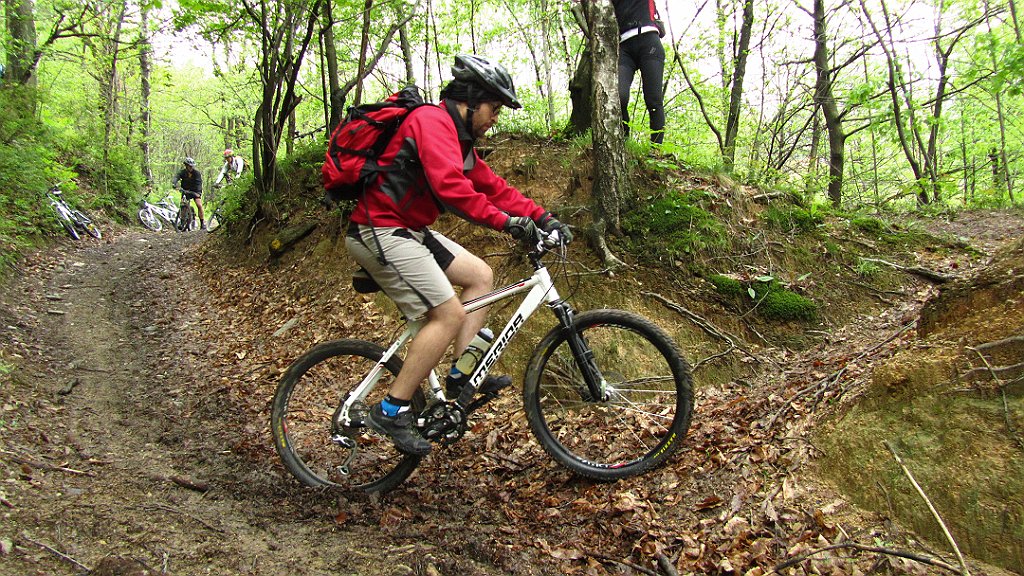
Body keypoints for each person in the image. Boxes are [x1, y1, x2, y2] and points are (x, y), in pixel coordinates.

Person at [346, 54, 573, 456]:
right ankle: (391, 409)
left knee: (480, 276)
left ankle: (461, 375)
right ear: (469, 101)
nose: (495, 119)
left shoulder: (458, 138)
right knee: (448, 314)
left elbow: (491, 185)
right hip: (379, 229)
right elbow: (451, 188)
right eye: (493, 108)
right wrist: (506, 223)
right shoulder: (431, 122)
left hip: (409, 229)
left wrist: (542, 216)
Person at [613, 0, 666, 145]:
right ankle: (624, 144)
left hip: (649, 42)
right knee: (619, 97)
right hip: (624, 47)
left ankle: (656, 149)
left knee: (653, 100)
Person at [172, 157, 206, 230]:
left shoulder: (197, 173)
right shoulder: (182, 172)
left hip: (195, 191)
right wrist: (174, 183)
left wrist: (198, 193)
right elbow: (176, 177)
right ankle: (182, 223)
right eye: (189, 166)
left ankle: (202, 223)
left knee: (199, 205)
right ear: (186, 166)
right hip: (185, 190)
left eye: (192, 166)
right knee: (183, 205)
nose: (191, 167)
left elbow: (199, 184)